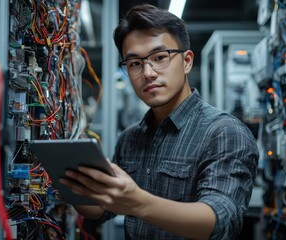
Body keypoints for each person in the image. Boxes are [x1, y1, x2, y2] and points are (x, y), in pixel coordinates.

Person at [59, 3, 259, 240]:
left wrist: (138, 203)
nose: (148, 72)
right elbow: (101, 210)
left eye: (160, 57)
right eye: (134, 63)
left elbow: (221, 220)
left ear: (186, 61)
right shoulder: (131, 137)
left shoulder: (224, 132)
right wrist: (72, 184)